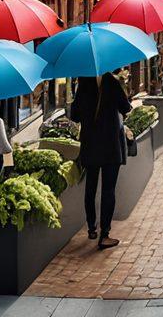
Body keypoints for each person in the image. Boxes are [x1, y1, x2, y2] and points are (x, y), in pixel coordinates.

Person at [70, 73, 131, 250]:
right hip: (111, 146)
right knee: (108, 189)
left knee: (91, 187)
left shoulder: (83, 84)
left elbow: (75, 115)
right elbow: (125, 107)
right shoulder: (112, 82)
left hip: (90, 145)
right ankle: (105, 234)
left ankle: (91, 228)